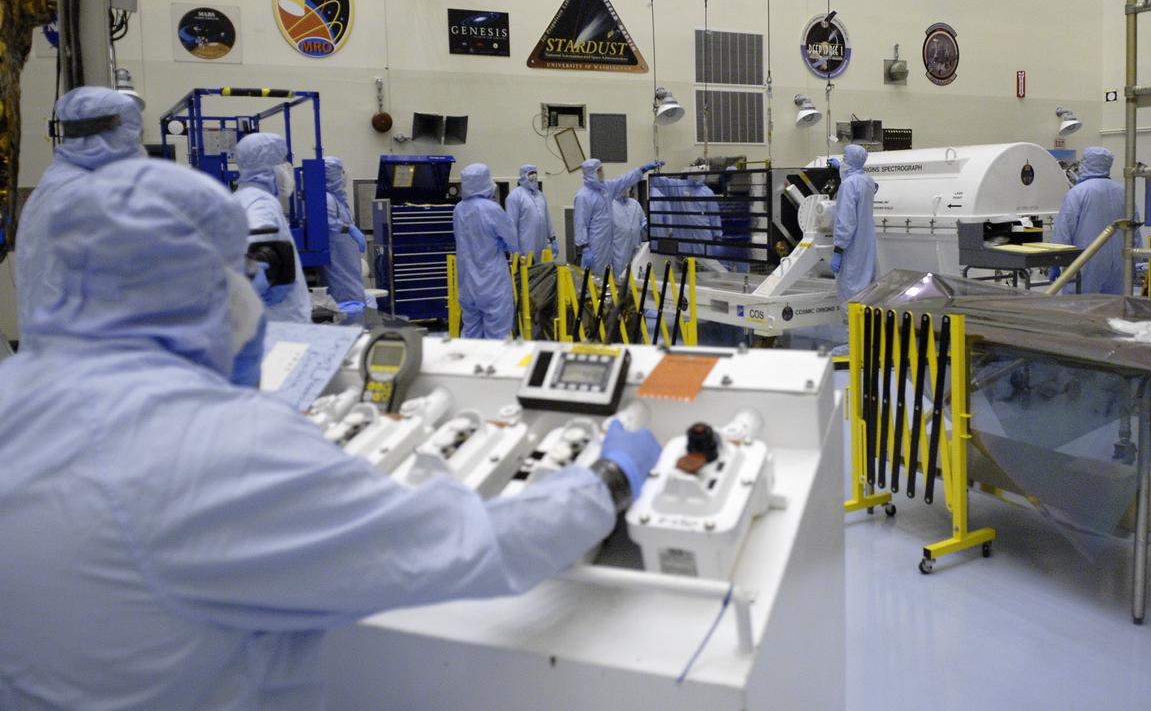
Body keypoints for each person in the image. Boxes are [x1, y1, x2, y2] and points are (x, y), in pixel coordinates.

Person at [0, 157, 662, 709]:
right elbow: (466, 546)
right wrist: (607, 480)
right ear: (208, 283)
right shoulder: (224, 449)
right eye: (241, 272)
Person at [13, 86, 143, 331]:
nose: (136, 146)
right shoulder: (87, 195)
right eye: (133, 134)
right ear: (112, 134)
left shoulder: (55, 184)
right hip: (86, 350)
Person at [232, 133, 311, 323]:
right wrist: (266, 271)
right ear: (268, 164)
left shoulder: (239, 198)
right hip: (280, 320)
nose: (287, 167)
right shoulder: (261, 201)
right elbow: (261, 238)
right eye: (283, 160)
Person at [454, 162, 520, 339]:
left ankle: (470, 366)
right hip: (492, 282)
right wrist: (502, 245)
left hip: (467, 284)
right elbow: (512, 241)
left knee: (471, 334)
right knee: (497, 336)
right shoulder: (491, 208)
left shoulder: (458, 209)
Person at [1051, 147, 1129, 295]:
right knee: (1113, 310)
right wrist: (1137, 261)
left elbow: (1064, 231)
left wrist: (1055, 261)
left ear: (1087, 163)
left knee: (1080, 309)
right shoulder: (1123, 192)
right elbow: (1134, 230)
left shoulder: (1077, 193)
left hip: (1085, 262)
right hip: (1119, 264)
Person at [574, 157, 663, 279]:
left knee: (607, 277)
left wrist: (642, 169)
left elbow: (623, 180)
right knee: (593, 278)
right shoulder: (583, 196)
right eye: (599, 170)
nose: (602, 173)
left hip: (608, 244)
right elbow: (580, 223)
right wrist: (584, 247)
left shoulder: (606, 188)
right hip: (595, 246)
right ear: (591, 173)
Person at [831, 144, 878, 300]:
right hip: (867, 244)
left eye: (844, 159)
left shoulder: (848, 185)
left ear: (850, 161)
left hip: (852, 247)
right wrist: (840, 170)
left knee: (851, 289)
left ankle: (850, 323)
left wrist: (838, 249)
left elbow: (846, 222)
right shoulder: (868, 181)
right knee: (866, 288)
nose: (842, 161)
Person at [322, 156, 367, 314]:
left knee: (355, 298)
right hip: (339, 260)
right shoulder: (326, 199)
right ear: (331, 174)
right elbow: (326, 223)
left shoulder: (337, 199)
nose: (343, 175)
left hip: (348, 261)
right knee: (347, 303)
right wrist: (350, 230)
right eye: (340, 172)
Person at [505, 163, 558, 260]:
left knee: (542, 273)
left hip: (542, 247)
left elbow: (547, 219)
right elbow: (511, 225)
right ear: (523, 176)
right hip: (524, 250)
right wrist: (514, 249)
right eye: (531, 173)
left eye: (535, 173)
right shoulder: (515, 196)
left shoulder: (540, 195)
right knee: (526, 274)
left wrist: (553, 238)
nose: (534, 176)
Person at [610, 187, 647, 281]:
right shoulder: (610, 206)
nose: (625, 189)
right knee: (620, 280)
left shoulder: (635, 205)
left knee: (635, 278)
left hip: (635, 250)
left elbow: (643, 222)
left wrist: (647, 226)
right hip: (619, 252)